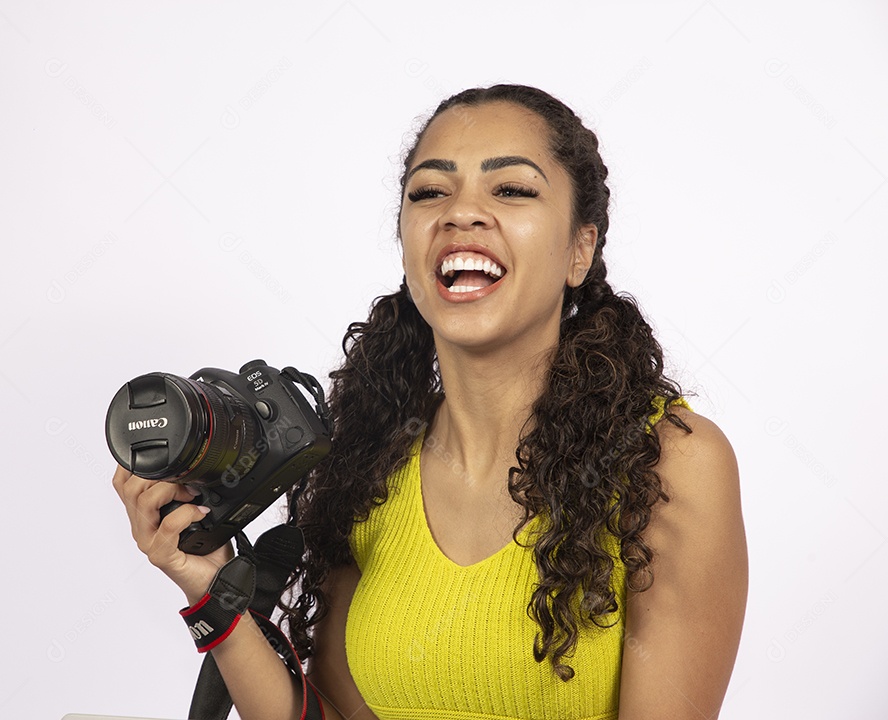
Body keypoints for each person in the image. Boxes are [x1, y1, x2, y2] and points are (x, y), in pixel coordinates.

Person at [113, 84, 748, 720]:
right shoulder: (365, 464)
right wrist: (213, 597)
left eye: (512, 190)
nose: (461, 213)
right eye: (429, 193)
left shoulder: (666, 464)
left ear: (580, 249)